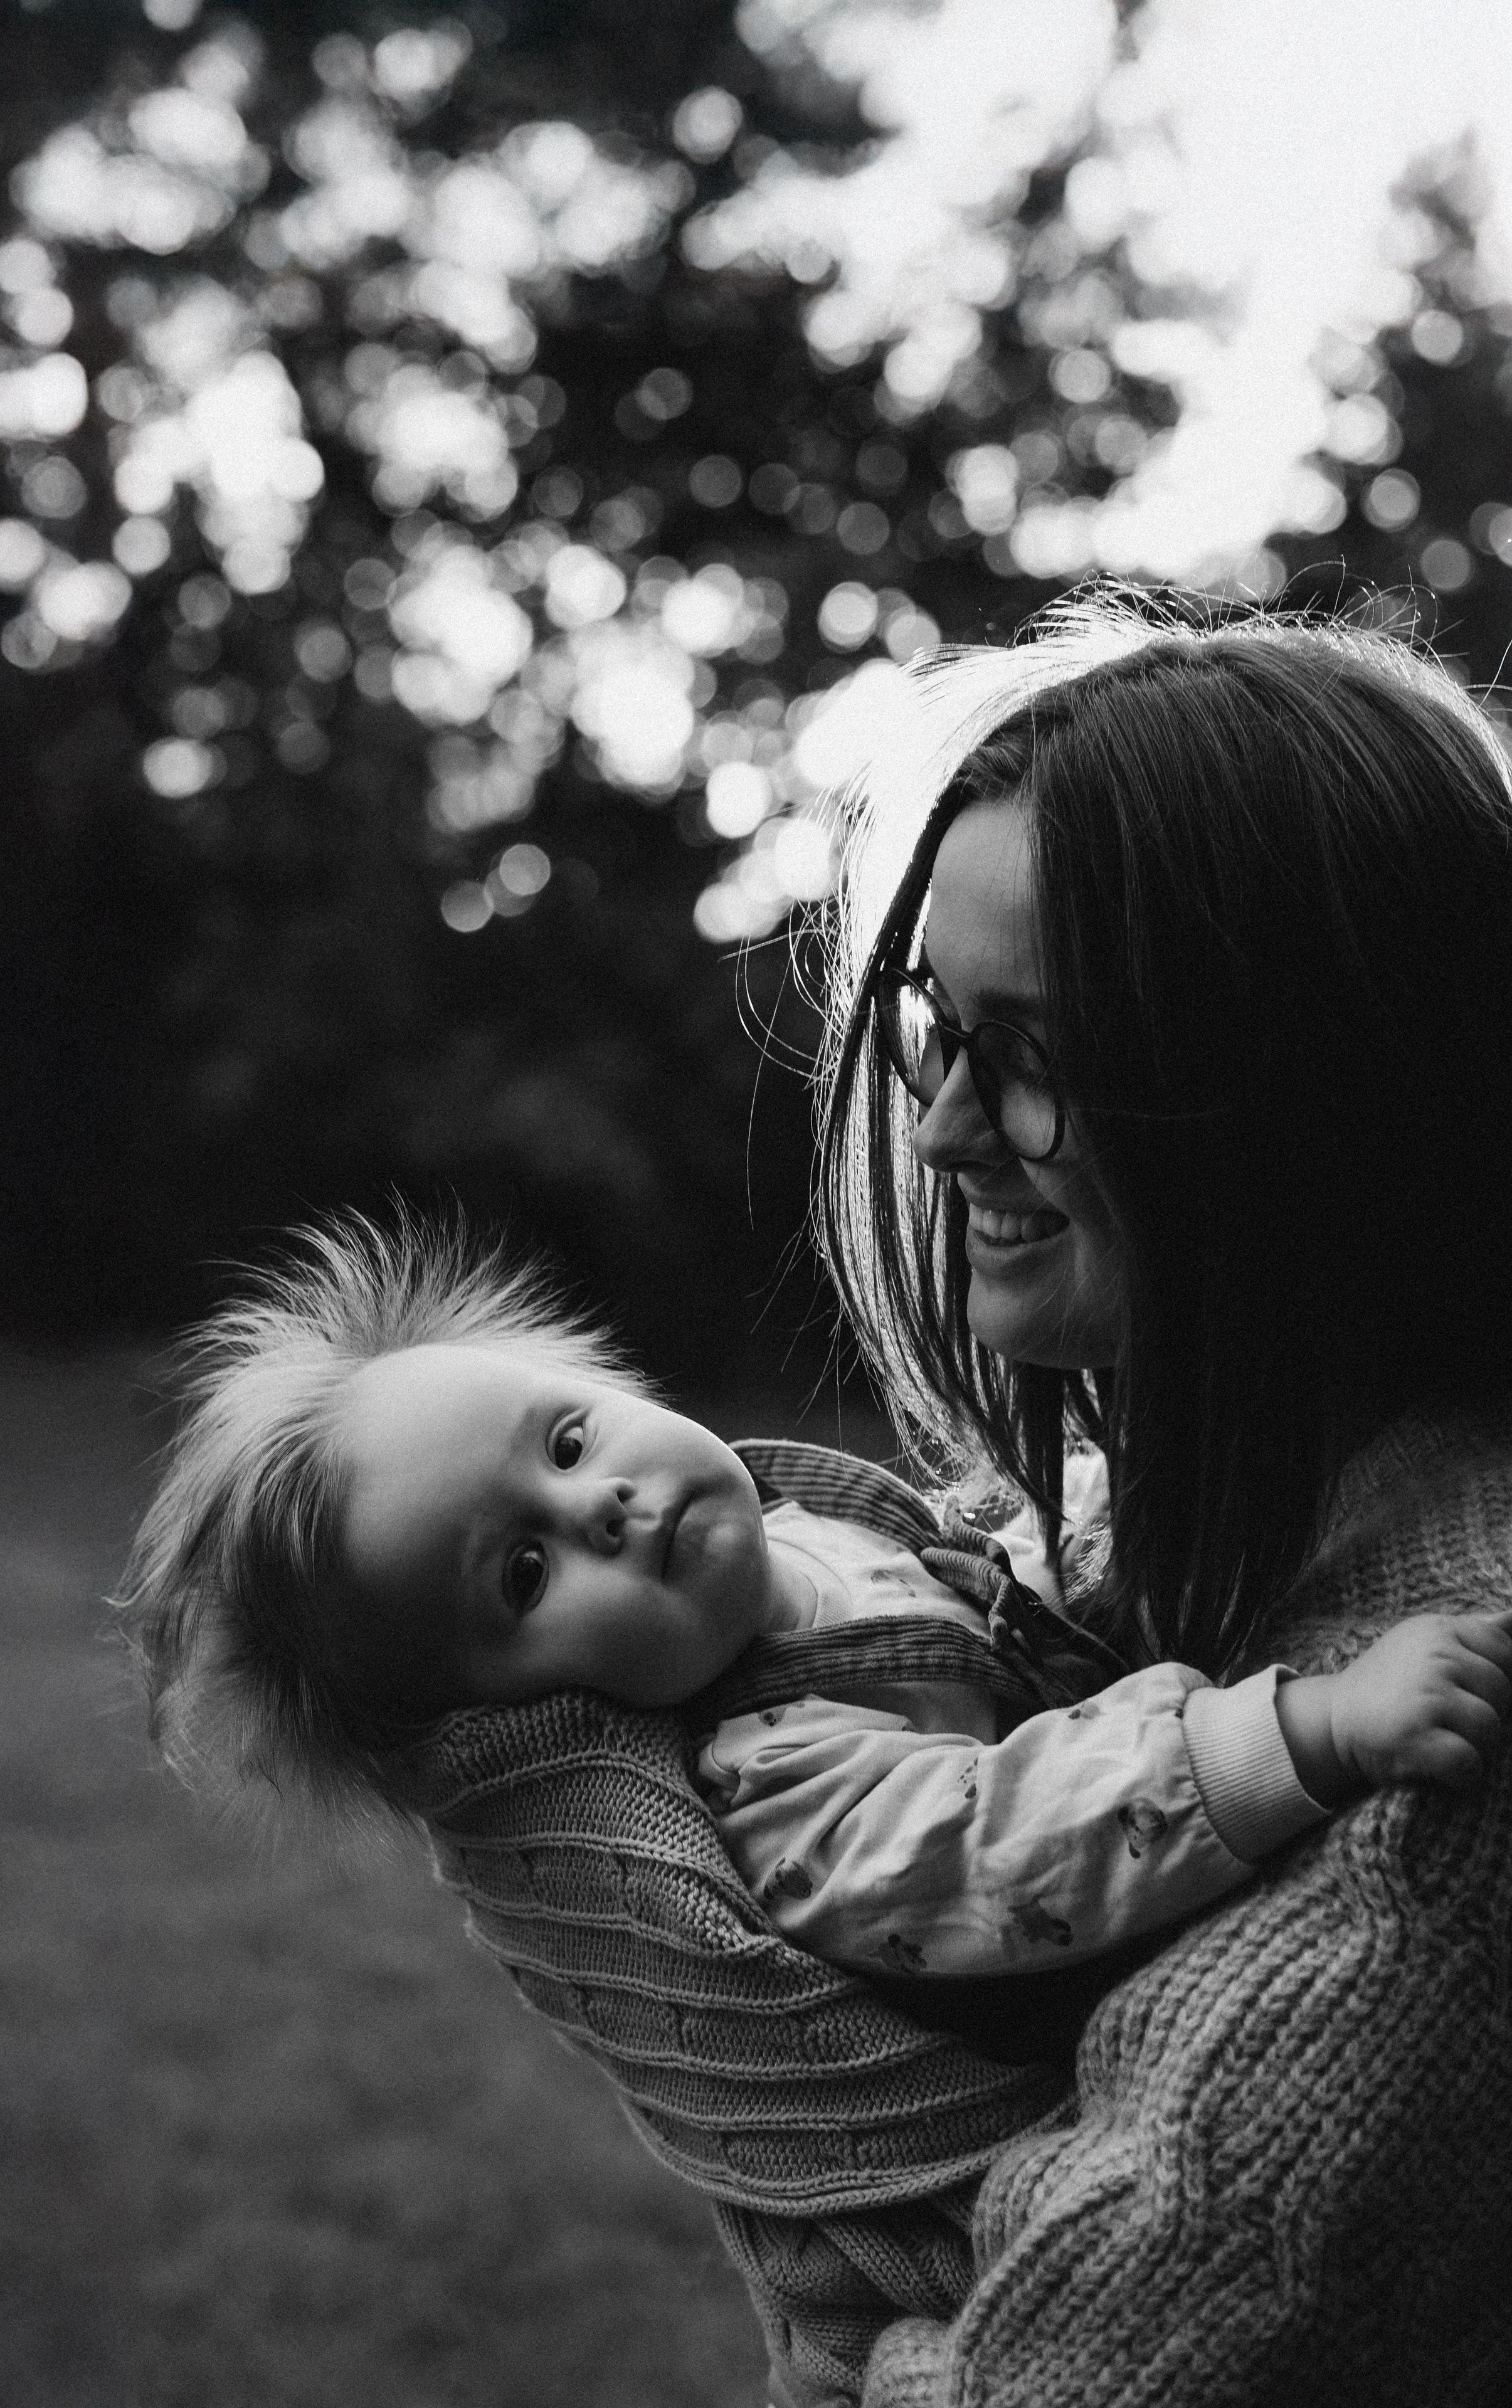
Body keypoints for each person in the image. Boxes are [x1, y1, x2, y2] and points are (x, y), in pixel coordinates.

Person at [811, 588, 1512, 2405]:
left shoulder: (1441, 1762)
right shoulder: (1144, 1549)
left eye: (1042, 1050)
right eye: (934, 1023)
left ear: (1309, 1097)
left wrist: (843, 2328)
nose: (951, 1126)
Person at [117, 1212, 1511, 1990]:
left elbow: (1009, 1569)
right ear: (515, 1717)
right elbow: (1012, 1844)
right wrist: (1314, 1730)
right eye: (522, 1573)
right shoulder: (774, 1783)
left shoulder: (820, 1533)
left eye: (565, 1440)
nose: (594, 1504)